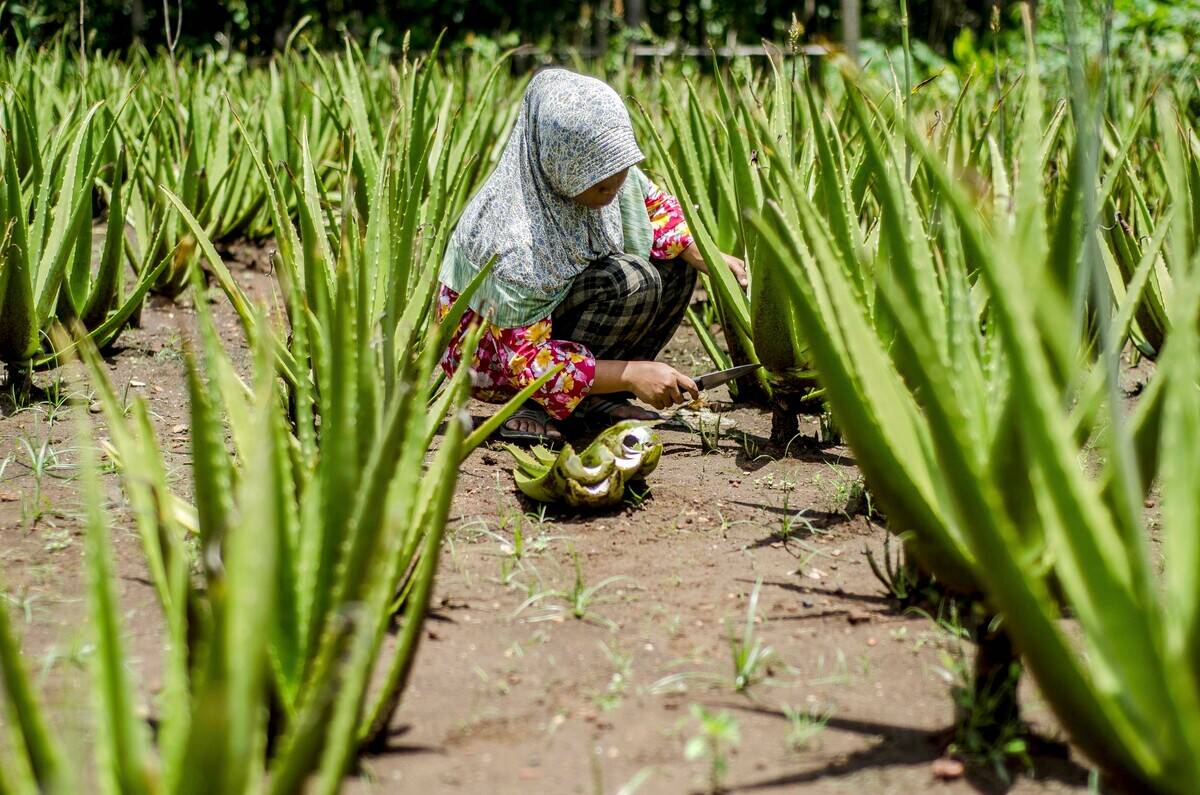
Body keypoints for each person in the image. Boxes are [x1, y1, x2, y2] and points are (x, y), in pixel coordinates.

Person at [436, 67, 747, 442]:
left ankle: (595, 399)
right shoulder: (513, 237)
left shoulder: (610, 174)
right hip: (497, 357)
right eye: (600, 182)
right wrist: (633, 373)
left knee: (677, 265)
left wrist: (706, 256)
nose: (616, 185)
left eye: (619, 169)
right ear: (558, 166)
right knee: (630, 280)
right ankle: (532, 405)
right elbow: (524, 359)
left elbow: (652, 206)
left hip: (550, 326)